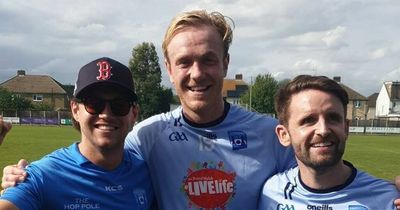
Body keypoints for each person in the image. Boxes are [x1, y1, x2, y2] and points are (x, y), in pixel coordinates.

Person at [2, 10, 400, 209]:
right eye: (185, 62)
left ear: (225, 64)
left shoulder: (269, 132)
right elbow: (97, 160)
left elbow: (319, 177)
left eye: (208, 60)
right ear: (170, 71)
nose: (197, 74)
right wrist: (21, 176)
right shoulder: (148, 135)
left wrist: (387, 193)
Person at [0, 57, 154, 210]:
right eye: (94, 103)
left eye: (120, 105)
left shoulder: (147, 172)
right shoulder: (42, 176)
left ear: (134, 114)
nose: (106, 115)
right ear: (75, 110)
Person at [258, 75, 399, 210]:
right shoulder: (272, 193)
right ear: (284, 135)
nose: (323, 130)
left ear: (346, 128)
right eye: (308, 120)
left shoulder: (386, 199)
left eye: (333, 118)